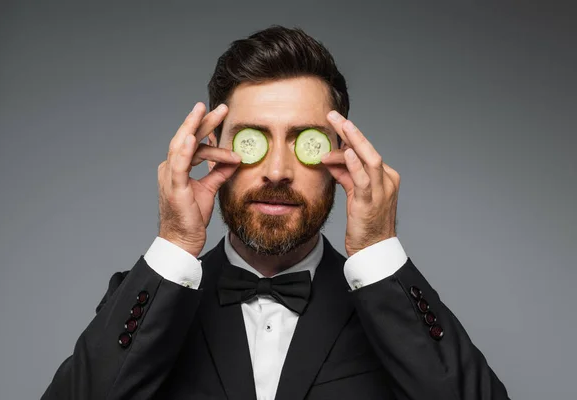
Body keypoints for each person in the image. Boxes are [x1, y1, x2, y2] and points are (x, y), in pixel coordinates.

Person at [41, 25, 510, 400]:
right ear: (212, 151)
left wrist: (379, 250)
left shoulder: (392, 307)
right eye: (253, 140)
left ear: (341, 157)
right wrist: (174, 243)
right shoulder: (143, 299)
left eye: (305, 142)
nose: (278, 170)